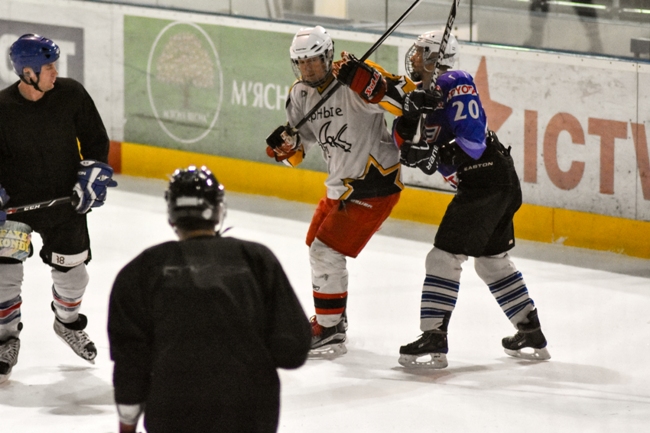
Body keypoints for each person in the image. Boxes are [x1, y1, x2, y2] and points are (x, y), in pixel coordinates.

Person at [108, 166, 311, 433]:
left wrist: (127, 424)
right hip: (250, 413)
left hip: (173, 414)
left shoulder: (142, 269)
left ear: (172, 214)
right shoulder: (257, 260)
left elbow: (130, 362)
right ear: (218, 209)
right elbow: (293, 349)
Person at [393, 31, 551, 368]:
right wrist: (412, 124)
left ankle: (434, 336)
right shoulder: (423, 98)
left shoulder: (455, 80)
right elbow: (414, 151)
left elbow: (474, 142)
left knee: (442, 258)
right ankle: (530, 331)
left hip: (486, 178)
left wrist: (437, 152)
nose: (414, 58)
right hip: (492, 181)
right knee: (491, 261)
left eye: (421, 52)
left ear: (436, 58)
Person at [265, 25, 415, 358]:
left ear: (328, 55)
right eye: (301, 63)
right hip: (340, 185)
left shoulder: (354, 76)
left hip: (374, 183)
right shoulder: (300, 94)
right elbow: (299, 151)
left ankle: (330, 328)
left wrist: (371, 85)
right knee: (315, 244)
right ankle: (335, 316)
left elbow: (406, 104)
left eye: (313, 61)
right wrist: (285, 148)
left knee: (325, 251)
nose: (307, 69)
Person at [0, 34, 117, 383]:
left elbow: (95, 140)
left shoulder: (71, 94)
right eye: (48, 67)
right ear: (28, 73)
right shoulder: (2, 108)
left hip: (65, 203)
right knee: (3, 278)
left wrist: (91, 176)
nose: (55, 72)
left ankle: (67, 323)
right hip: (15, 209)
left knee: (74, 276)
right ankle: (5, 341)